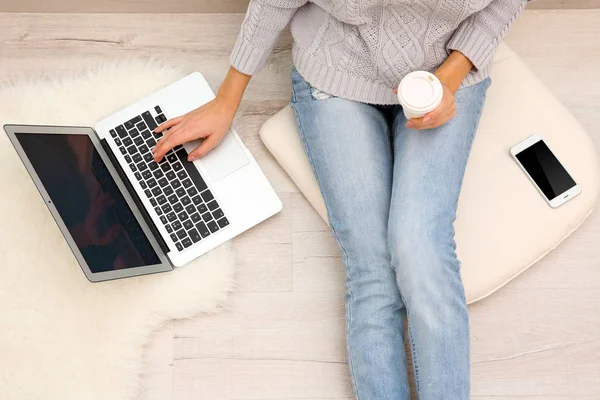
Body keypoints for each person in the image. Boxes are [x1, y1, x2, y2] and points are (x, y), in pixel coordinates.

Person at [152, 0, 527, 398]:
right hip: (338, 70)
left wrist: (450, 76)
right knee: (373, 271)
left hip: (448, 69)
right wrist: (226, 101)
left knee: (421, 249)